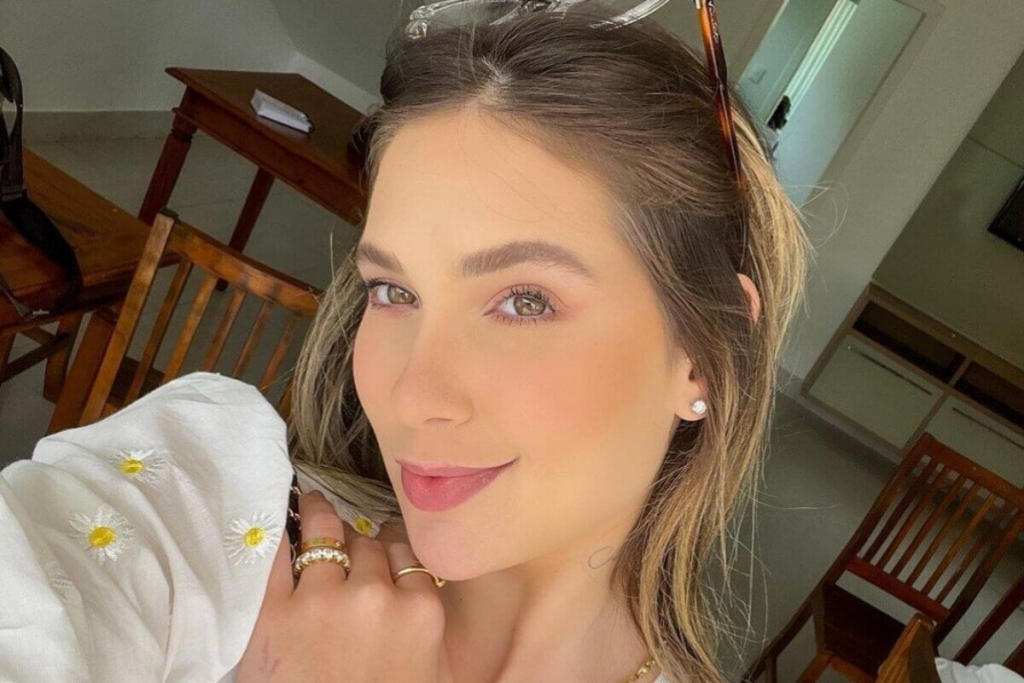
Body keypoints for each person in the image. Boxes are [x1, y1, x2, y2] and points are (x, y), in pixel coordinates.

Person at [0, 7, 811, 683]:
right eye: (395, 291)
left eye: (524, 301)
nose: (410, 394)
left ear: (706, 350)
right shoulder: (215, 510)